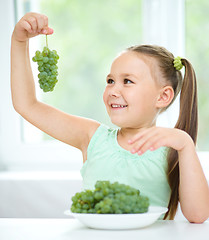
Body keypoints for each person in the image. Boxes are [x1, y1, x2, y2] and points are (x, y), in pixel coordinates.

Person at [11, 12, 209, 222]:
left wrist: (186, 144)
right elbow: (27, 105)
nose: (113, 90)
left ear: (163, 96)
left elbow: (198, 215)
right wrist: (19, 42)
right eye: (110, 80)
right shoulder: (92, 137)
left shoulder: (174, 149)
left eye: (127, 81)